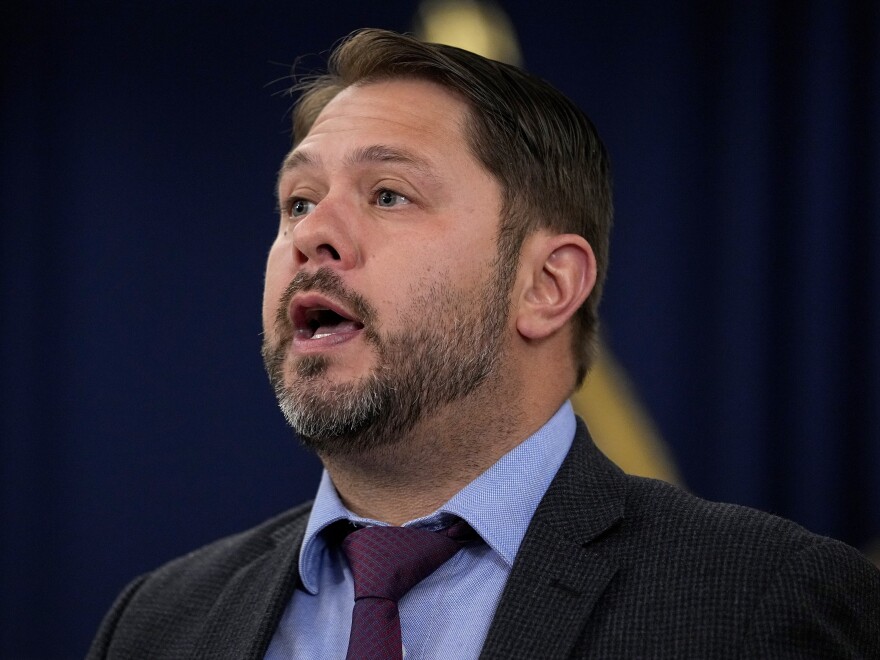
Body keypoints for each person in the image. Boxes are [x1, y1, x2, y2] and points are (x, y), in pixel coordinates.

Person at [88, 28, 880, 659]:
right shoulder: (158, 623)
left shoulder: (764, 603)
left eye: (388, 193)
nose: (312, 236)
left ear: (546, 286)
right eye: (297, 202)